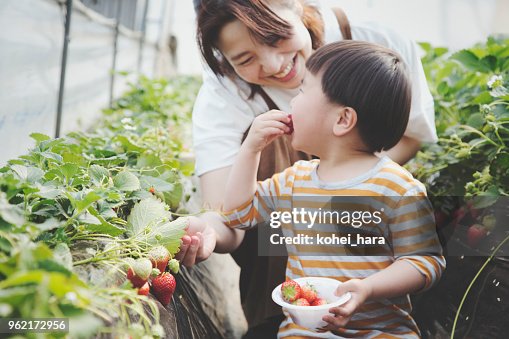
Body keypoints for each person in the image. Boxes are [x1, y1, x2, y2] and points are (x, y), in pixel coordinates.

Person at [178, 0, 438, 337]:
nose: (274, 65)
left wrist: (349, 189)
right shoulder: (292, 181)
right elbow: (233, 214)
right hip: (294, 293)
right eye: (245, 59)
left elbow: (424, 258)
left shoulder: (398, 189)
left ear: (297, 6)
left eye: (274, 38)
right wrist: (249, 155)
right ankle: (273, 313)